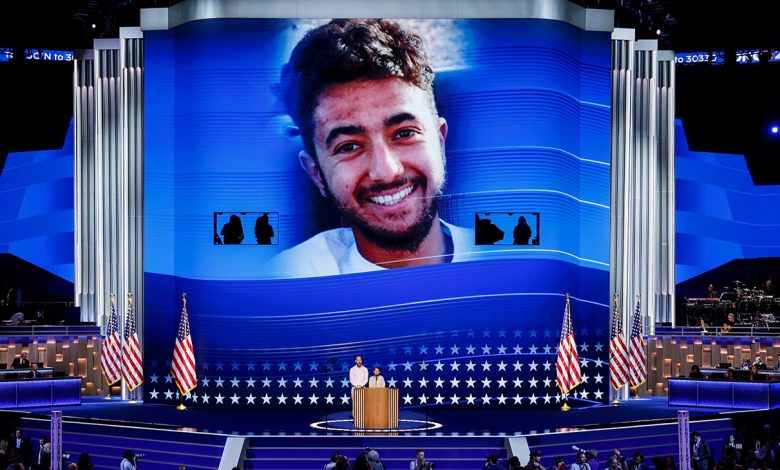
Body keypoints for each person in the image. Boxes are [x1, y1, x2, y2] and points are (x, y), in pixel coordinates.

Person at [273, 19, 473, 277]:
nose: (387, 171)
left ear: (440, 141)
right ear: (316, 174)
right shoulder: (283, 283)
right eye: (349, 147)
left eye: (404, 133)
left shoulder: (511, 260)